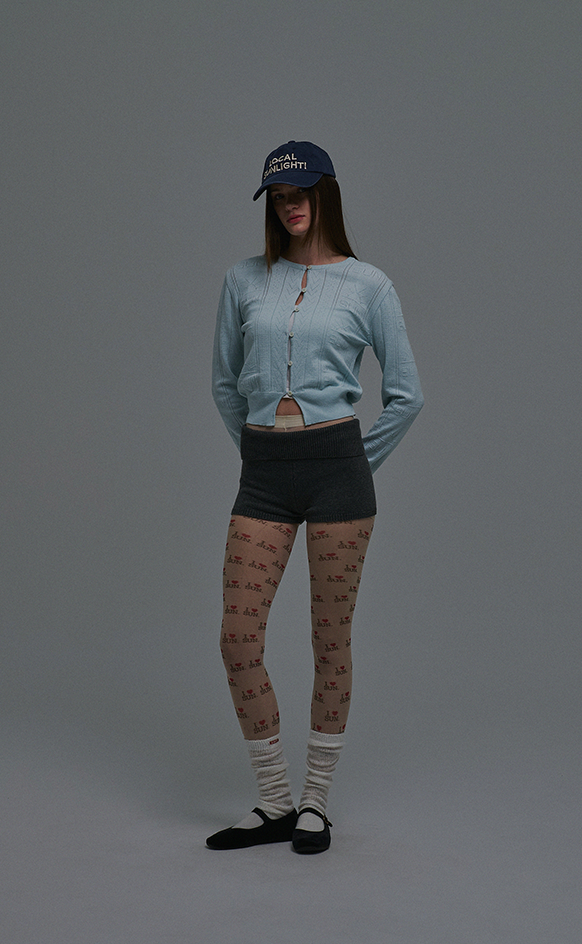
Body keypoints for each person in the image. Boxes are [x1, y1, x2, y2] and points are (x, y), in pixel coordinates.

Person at [207, 140, 423, 854]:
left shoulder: (369, 285)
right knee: (238, 638)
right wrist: (258, 449)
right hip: (265, 474)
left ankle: (315, 804)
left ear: (326, 192)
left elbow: (407, 394)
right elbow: (224, 383)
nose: (289, 205)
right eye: (277, 196)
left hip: (339, 474)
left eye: (299, 192)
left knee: (330, 639)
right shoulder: (243, 279)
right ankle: (274, 799)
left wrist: (354, 461)